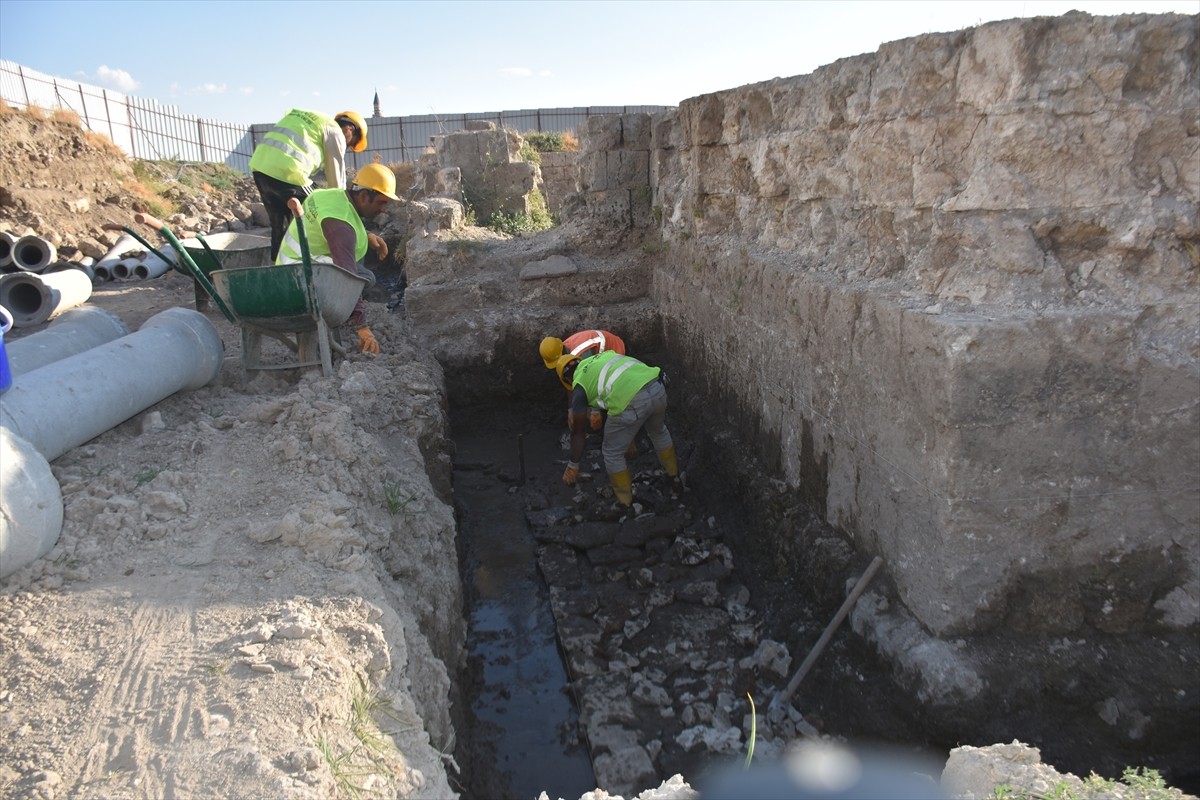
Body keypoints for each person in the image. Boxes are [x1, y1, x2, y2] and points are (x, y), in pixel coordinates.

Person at [276, 163, 398, 354]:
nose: (384, 209)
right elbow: (346, 276)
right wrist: (361, 325)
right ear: (364, 196)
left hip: (289, 267)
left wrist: (364, 235)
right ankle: (337, 318)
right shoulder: (342, 228)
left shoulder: (329, 196)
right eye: (381, 202)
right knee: (365, 278)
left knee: (361, 269)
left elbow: (333, 226)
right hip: (301, 281)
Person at [554, 350, 679, 509]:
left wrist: (573, 465)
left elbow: (578, 432)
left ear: (566, 379)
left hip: (633, 402)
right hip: (656, 386)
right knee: (659, 431)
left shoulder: (579, 386)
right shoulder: (603, 357)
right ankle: (674, 478)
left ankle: (625, 504)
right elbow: (617, 383)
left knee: (612, 452)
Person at [249, 109, 369, 261]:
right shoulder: (335, 131)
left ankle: (276, 268)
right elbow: (336, 185)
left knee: (279, 225)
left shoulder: (313, 121)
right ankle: (319, 263)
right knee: (318, 207)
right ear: (349, 129)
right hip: (288, 172)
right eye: (351, 143)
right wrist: (347, 213)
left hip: (260, 168)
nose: (348, 147)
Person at [539, 329, 627, 430]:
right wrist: (571, 410)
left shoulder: (582, 355)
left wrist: (595, 411)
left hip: (615, 351)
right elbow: (570, 382)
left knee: (608, 390)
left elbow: (595, 381)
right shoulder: (565, 350)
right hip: (597, 360)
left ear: (561, 352)